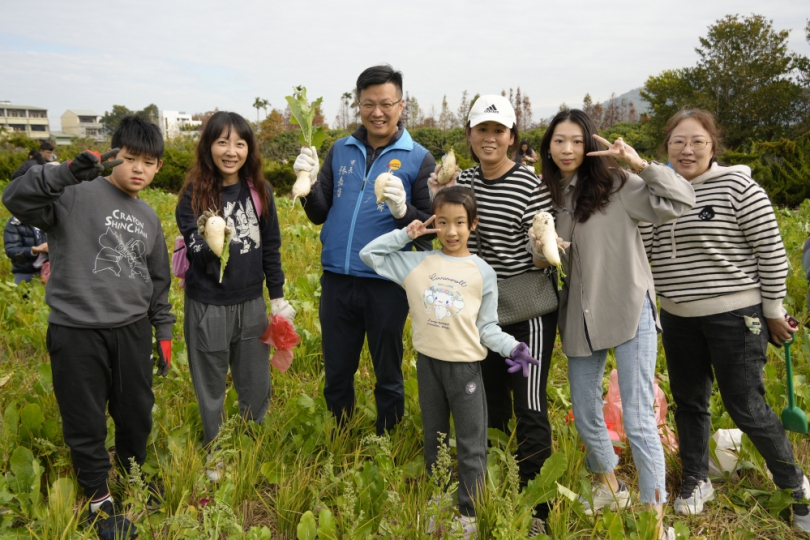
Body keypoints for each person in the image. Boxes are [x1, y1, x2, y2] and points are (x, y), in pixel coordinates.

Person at [2, 116, 175, 540]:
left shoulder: (150, 216)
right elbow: (14, 198)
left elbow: (158, 280)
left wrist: (164, 331)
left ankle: (134, 474)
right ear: (113, 155)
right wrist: (63, 173)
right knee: (85, 420)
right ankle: (98, 499)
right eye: (130, 158)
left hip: (132, 331)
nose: (139, 169)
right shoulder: (74, 195)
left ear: (158, 168)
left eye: (149, 163)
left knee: (136, 412)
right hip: (76, 331)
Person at [639, 108, 809, 532]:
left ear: (713, 145)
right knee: (690, 400)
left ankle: (796, 488)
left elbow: (772, 251)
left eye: (697, 140)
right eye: (678, 141)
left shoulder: (738, 187)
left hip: (736, 316)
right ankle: (696, 480)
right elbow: (642, 249)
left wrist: (771, 310)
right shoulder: (656, 191)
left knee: (745, 404)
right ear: (666, 147)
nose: (687, 149)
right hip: (677, 317)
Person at [536, 109, 695, 540]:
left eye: (575, 140)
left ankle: (654, 518)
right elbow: (548, 261)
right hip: (580, 314)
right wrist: (542, 248)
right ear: (548, 147)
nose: (567, 149)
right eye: (558, 141)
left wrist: (639, 163)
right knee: (585, 410)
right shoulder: (549, 197)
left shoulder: (618, 184)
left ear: (589, 144)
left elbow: (682, 201)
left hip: (628, 308)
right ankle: (610, 484)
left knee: (640, 418)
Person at [360, 186, 541, 539]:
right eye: (443, 222)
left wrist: (513, 347)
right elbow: (370, 255)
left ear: (473, 224)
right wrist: (406, 234)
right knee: (435, 438)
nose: (452, 231)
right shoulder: (417, 263)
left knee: (471, 443)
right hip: (428, 365)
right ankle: (440, 504)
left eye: (460, 222)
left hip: (465, 370)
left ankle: (469, 514)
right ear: (434, 224)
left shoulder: (482, 272)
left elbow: (487, 327)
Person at [430, 95, 558, 536]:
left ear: (511, 137)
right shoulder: (461, 182)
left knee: (530, 406)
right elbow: (448, 231)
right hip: (479, 313)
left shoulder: (530, 184)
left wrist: (542, 251)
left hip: (528, 311)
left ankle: (538, 510)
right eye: (481, 129)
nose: (489, 138)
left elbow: (541, 244)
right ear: (469, 135)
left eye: (498, 130)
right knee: (487, 406)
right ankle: (493, 489)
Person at [292, 65, 435, 435]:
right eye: (369, 103)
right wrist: (305, 184)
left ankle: (387, 437)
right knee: (337, 367)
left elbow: (429, 230)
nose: (377, 112)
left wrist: (404, 212)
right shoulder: (341, 149)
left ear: (401, 105)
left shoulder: (418, 158)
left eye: (386, 103)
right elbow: (320, 213)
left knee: (387, 366)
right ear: (358, 105)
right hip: (337, 279)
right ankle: (340, 431)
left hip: (386, 283)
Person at [175, 111, 289, 475]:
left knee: (256, 381)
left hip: (251, 302)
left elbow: (270, 247)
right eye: (222, 142)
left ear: (248, 149)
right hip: (208, 304)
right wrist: (213, 243)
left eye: (239, 143)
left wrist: (278, 295)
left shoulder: (260, 191)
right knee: (209, 383)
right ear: (209, 146)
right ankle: (217, 449)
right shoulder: (193, 193)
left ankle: (252, 440)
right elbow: (194, 246)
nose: (231, 151)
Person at [4, 215, 47, 284]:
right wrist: (35, 250)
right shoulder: (15, 223)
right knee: (20, 291)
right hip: (25, 270)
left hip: (52, 268)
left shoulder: (52, 218)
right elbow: (11, 250)